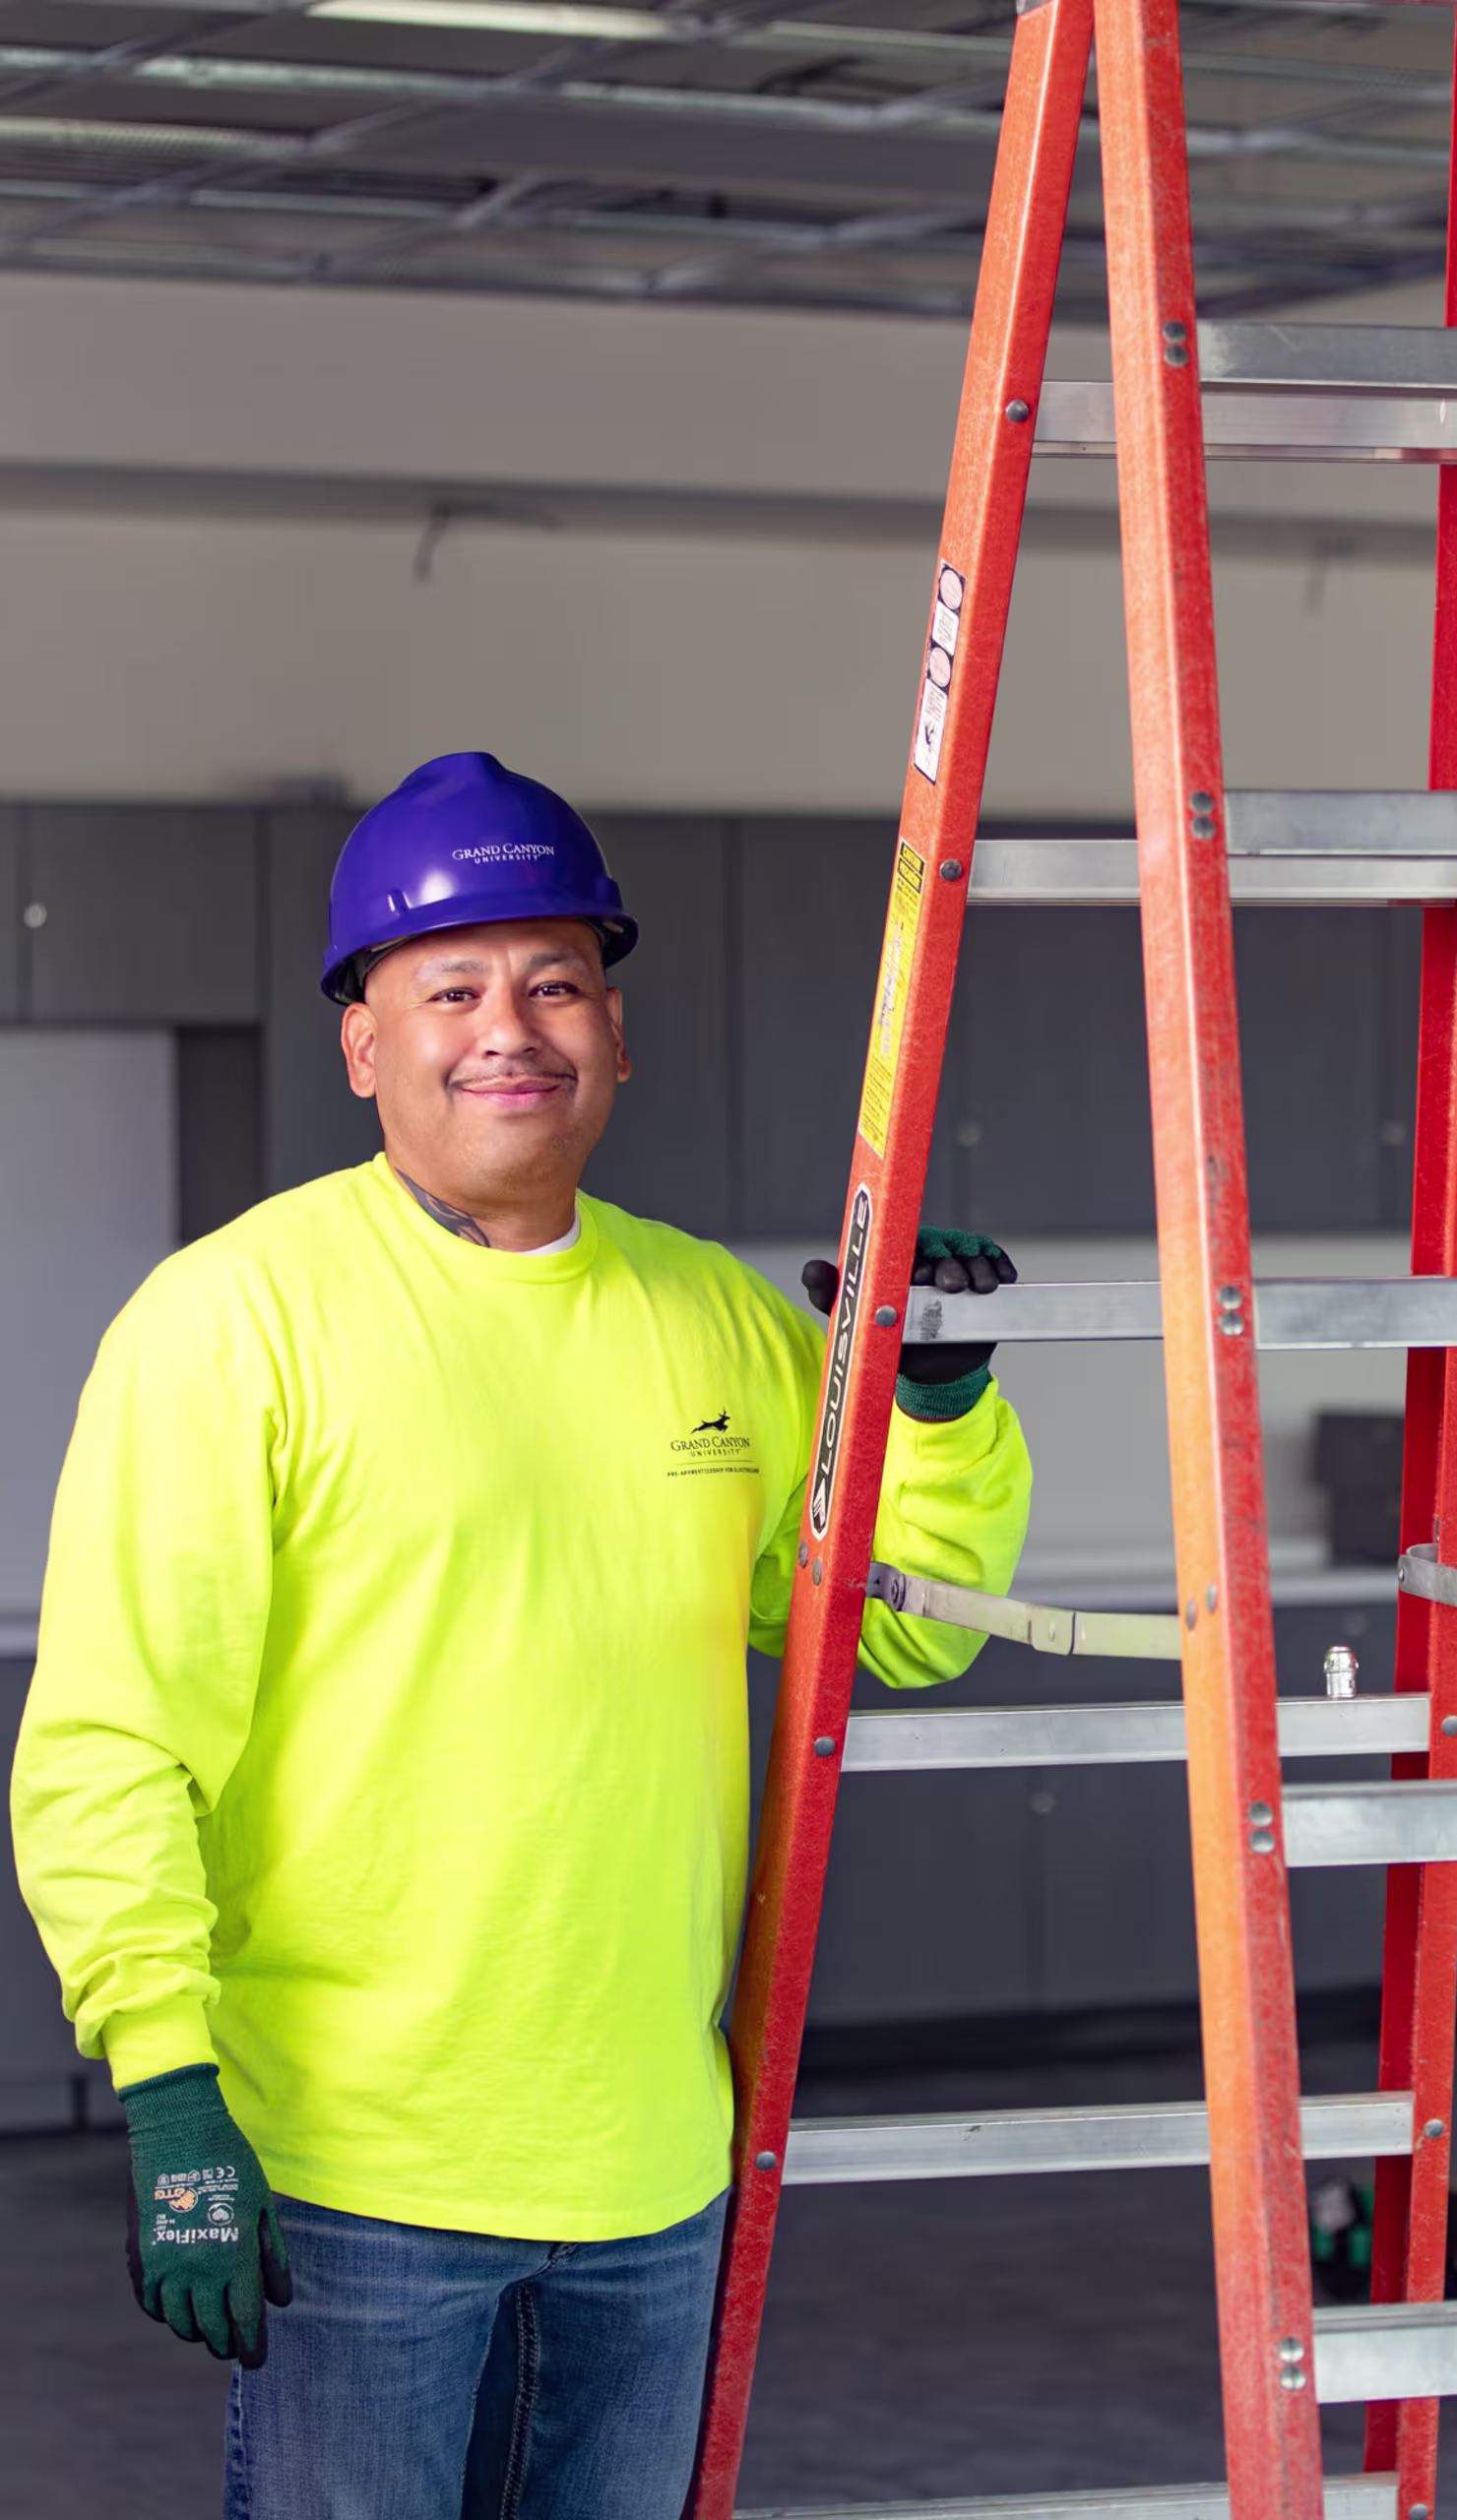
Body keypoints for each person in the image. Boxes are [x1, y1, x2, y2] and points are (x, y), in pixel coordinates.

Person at [11, 752, 1031, 2520]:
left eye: (554, 982)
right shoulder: (231, 1322)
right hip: (352, 2173)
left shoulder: (711, 1312)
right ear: (363, 1044)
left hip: (654, 2173)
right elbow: (113, 1743)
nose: (512, 1029)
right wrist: (169, 2093)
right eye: (453, 987)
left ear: (616, 1034)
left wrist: (931, 1408)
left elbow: (904, 1636)